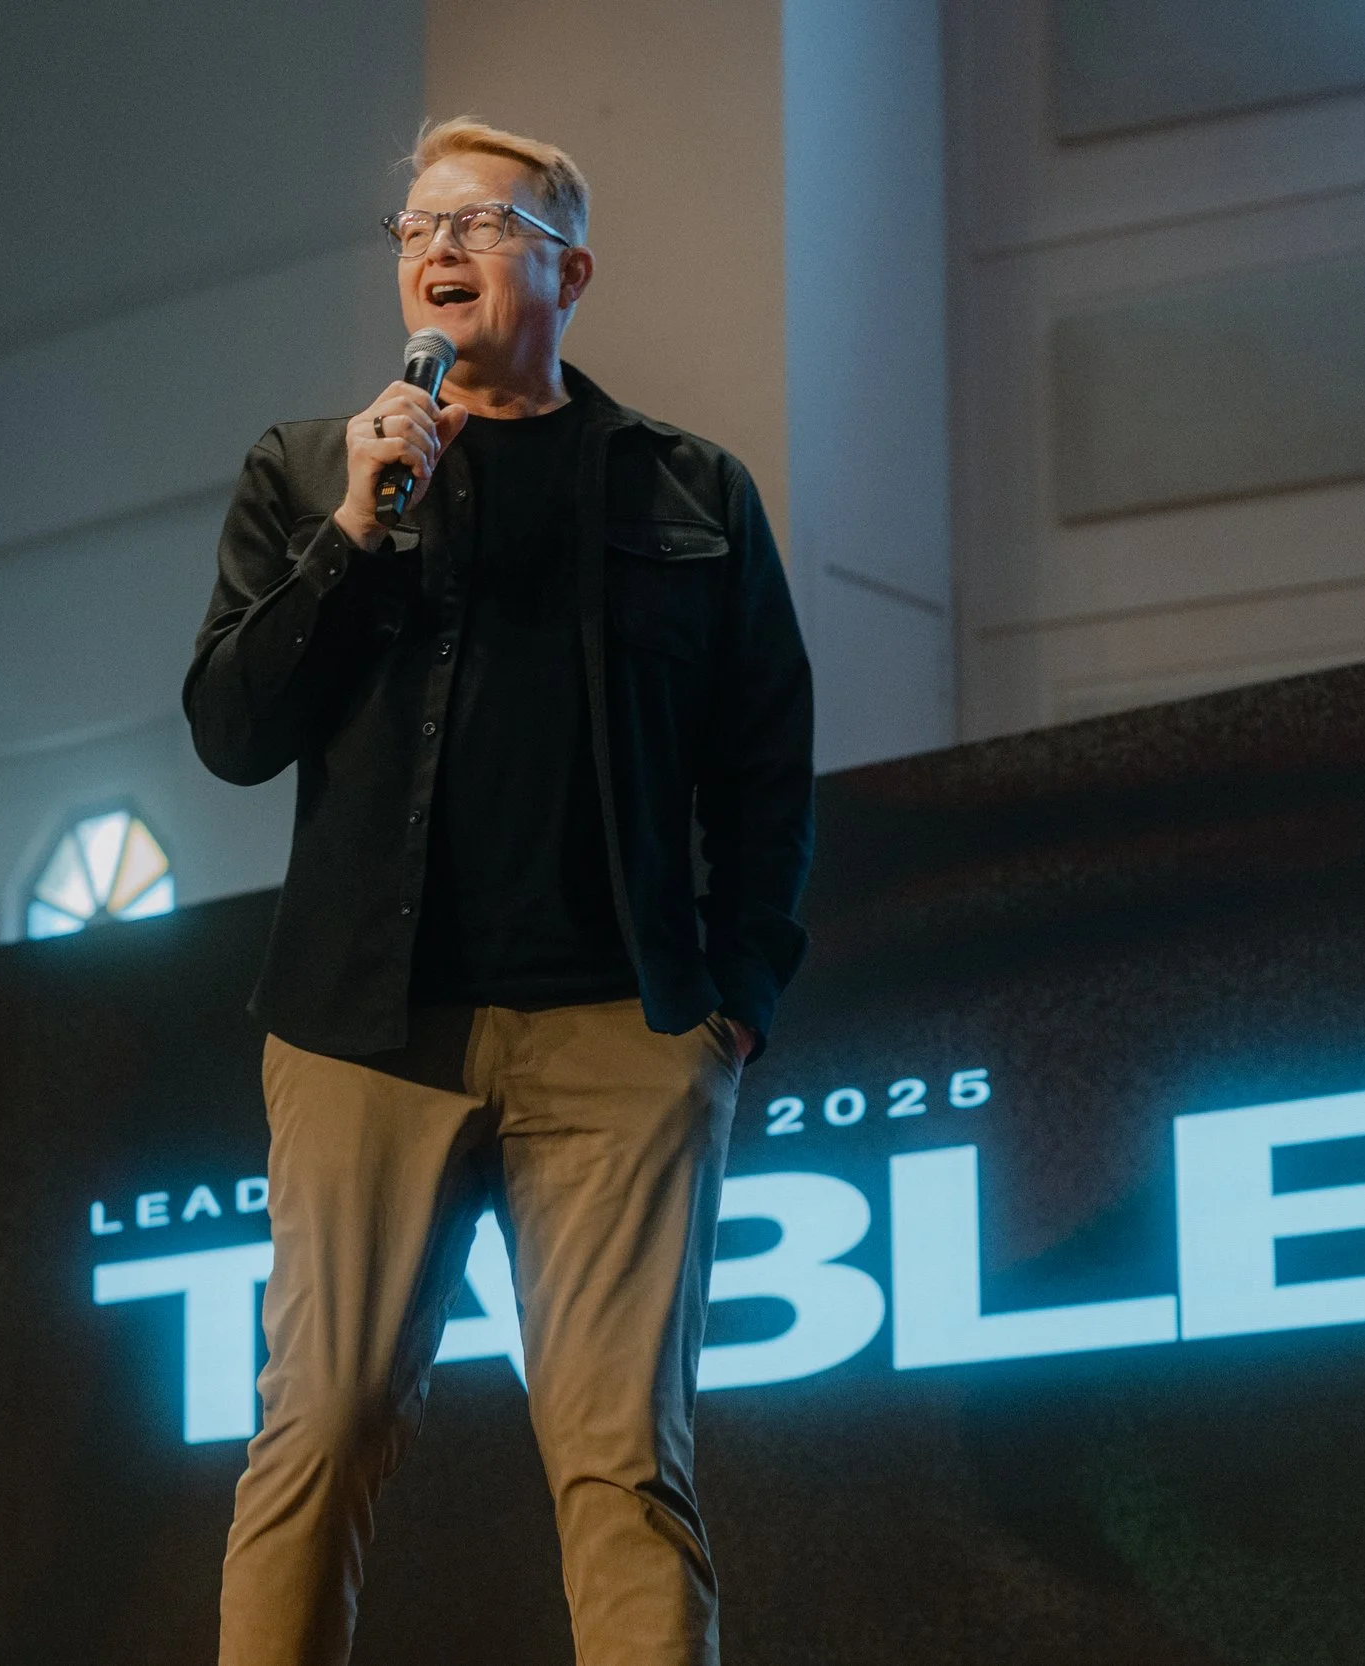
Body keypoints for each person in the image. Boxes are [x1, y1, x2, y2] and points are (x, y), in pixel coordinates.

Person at [183, 115, 813, 1666]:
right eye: (416, 226)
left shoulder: (690, 492)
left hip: (620, 1033)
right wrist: (351, 530)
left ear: (570, 269)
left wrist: (734, 998)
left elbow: (765, 760)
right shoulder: (308, 469)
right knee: (316, 1436)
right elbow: (231, 730)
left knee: (622, 1460)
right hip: (361, 1034)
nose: (440, 246)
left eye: (484, 222)